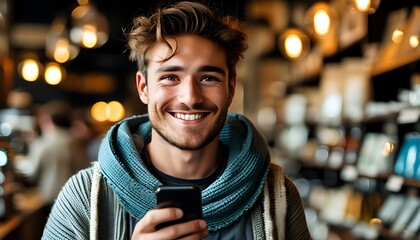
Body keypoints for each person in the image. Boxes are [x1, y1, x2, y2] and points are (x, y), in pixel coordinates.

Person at [42, 1, 311, 239]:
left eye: (208, 77)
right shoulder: (85, 196)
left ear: (230, 87)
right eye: (170, 77)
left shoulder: (277, 196)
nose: (190, 97)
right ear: (144, 87)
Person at [23, 100, 90, 206]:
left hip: (49, 198)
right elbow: (85, 170)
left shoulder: (42, 142)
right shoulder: (77, 142)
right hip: (75, 198)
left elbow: (31, 173)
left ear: (48, 120)